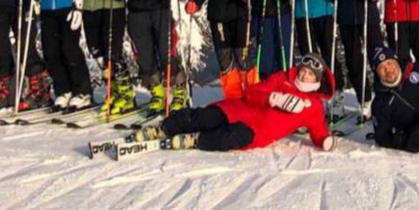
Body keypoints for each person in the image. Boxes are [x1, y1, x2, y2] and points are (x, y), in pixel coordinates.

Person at [135, 52, 336, 152]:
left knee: (230, 138)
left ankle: (196, 140)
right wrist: (274, 98)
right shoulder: (282, 78)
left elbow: (318, 131)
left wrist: (325, 141)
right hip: (240, 110)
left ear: (317, 79)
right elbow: (252, 93)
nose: (304, 75)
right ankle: (164, 128)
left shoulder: (314, 106)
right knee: (206, 117)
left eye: (310, 74)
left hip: (259, 131)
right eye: (303, 70)